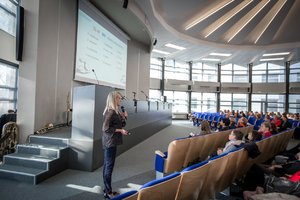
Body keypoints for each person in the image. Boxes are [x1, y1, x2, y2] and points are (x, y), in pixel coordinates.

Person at [102, 91, 129, 199]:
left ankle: (106, 189)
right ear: (113, 99)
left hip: (112, 141)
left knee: (107, 166)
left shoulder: (115, 111)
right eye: (118, 98)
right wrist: (120, 131)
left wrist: (124, 117)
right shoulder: (110, 112)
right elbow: (105, 129)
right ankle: (108, 192)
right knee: (109, 167)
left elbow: (122, 124)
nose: (120, 100)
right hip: (110, 143)